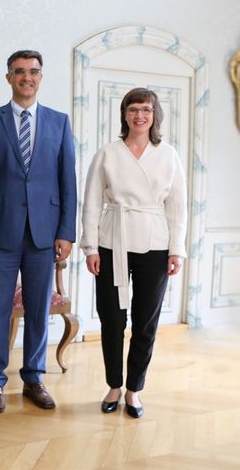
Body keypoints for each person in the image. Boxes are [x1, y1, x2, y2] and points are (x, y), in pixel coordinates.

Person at [0, 50, 76, 414]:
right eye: (19, 71)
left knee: (38, 310)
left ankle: (34, 378)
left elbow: (68, 182)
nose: (26, 77)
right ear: (9, 77)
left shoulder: (59, 122)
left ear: (40, 77)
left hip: (44, 235)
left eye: (33, 71)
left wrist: (66, 232)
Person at [80, 87, 187, 418]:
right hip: (112, 241)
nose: (140, 115)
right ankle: (114, 384)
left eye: (146, 109)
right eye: (133, 109)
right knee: (112, 318)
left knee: (146, 321)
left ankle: (134, 390)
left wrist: (177, 250)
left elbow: (178, 207)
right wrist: (90, 246)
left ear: (155, 115)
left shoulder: (168, 155)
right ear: (124, 114)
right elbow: (92, 201)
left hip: (155, 245)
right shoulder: (108, 153)